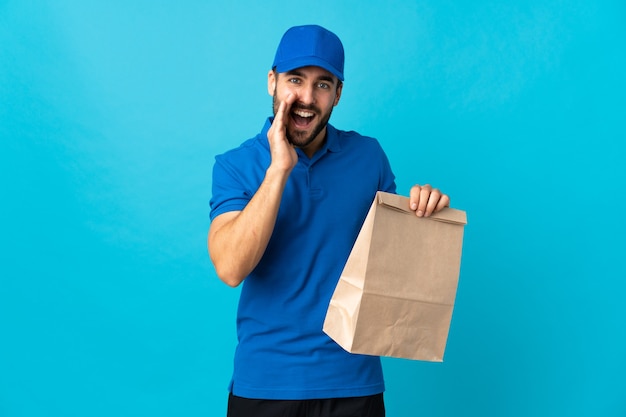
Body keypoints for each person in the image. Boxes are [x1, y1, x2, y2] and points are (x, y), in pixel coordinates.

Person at [208, 24, 450, 417]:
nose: (306, 98)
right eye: (295, 80)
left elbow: (392, 263)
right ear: (272, 82)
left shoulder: (368, 157)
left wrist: (424, 212)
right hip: (266, 384)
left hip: (354, 383)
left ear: (338, 93)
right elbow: (231, 268)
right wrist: (278, 170)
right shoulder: (236, 166)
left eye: (323, 84)